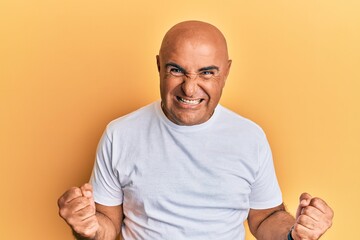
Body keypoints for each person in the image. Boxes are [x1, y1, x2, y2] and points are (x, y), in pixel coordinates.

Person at [58, 20, 333, 240]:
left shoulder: (250, 137)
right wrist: (89, 227)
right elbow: (107, 224)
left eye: (207, 73)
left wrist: (295, 233)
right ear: (158, 67)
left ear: (225, 72)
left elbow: (265, 218)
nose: (190, 88)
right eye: (177, 70)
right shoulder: (120, 134)